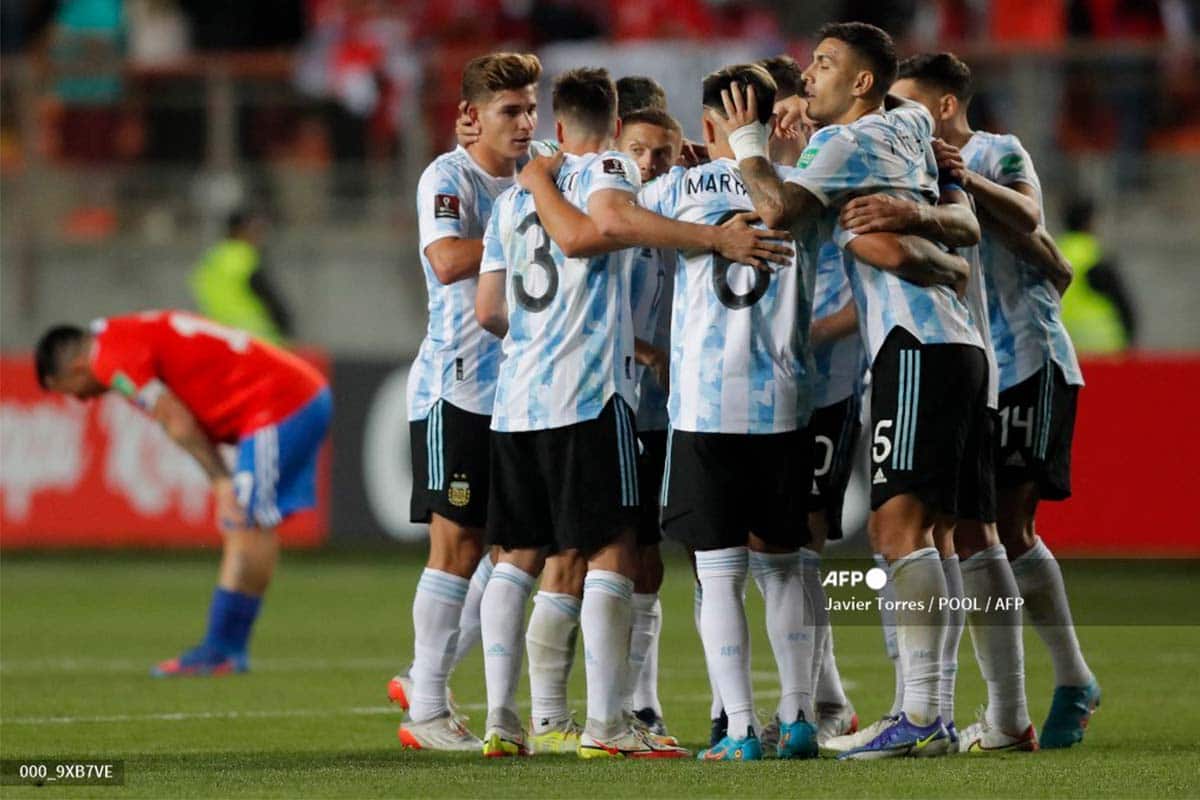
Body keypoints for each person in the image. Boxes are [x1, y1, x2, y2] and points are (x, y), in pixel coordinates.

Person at [476, 65, 790, 759]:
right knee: (612, 551)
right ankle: (604, 723)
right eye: (635, 148)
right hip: (592, 393)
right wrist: (713, 238)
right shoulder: (605, 177)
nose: (643, 161)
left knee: (524, 555)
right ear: (615, 128)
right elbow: (603, 227)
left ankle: (509, 721)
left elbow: (489, 311)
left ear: (557, 126)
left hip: (518, 398)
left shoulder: (510, 204)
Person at [719, 22, 990, 759]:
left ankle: (926, 714)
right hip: (955, 342)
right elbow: (962, 224)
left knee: (894, 533)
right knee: (931, 535)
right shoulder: (906, 121)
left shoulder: (839, 147)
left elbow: (775, 212)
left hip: (914, 347)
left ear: (863, 81)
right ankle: (925, 710)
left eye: (826, 63)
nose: (811, 73)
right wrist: (927, 227)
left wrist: (746, 142)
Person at [891, 52, 1100, 751]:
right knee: (983, 529)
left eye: (910, 105)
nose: (899, 118)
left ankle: (1055, 686)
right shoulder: (908, 163)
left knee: (1004, 527)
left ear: (946, 107)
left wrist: (966, 177)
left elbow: (1031, 217)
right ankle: (1030, 695)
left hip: (1028, 357)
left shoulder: (995, 151)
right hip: (975, 367)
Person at [34, 310, 330, 677]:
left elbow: (174, 418)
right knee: (246, 523)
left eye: (72, 391)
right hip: (290, 397)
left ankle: (222, 648)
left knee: (245, 522)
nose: (83, 401)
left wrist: (220, 479)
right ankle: (226, 647)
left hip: (279, 404)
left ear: (76, 366)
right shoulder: (118, 335)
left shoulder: (111, 359)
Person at [396, 51, 544, 753]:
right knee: (456, 544)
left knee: (518, 549)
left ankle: (428, 675)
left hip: (522, 387)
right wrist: (529, 229)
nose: (524, 124)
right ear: (471, 116)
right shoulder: (448, 176)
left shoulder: (537, 171)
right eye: (509, 111)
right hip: (456, 383)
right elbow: (450, 260)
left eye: (530, 109)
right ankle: (425, 708)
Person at [191, 210, 294, 345]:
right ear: (240, 230)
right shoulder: (244, 257)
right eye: (255, 229)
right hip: (253, 337)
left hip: (217, 335)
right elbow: (267, 295)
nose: (259, 235)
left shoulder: (212, 258)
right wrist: (285, 324)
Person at [1058, 197, 1138, 354]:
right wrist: (1130, 336)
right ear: (1090, 222)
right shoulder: (1093, 256)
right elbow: (1120, 300)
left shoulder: (1053, 251)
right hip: (1101, 347)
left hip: (1063, 347)